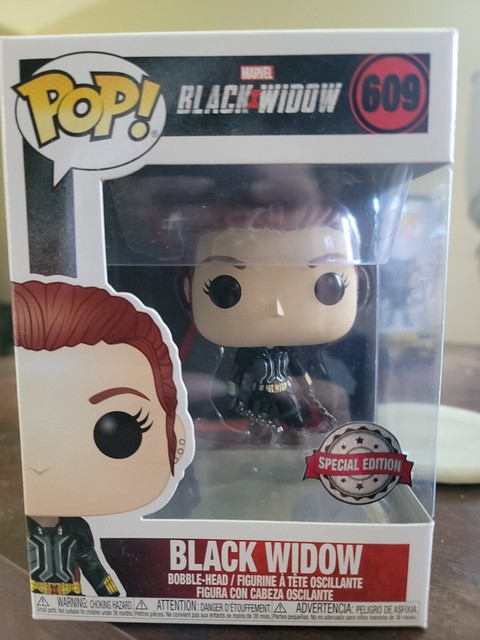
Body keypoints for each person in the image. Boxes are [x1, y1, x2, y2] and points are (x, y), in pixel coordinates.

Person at [12, 280, 190, 596]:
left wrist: (110, 598)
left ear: (175, 435)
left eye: (119, 429)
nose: (44, 463)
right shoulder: (23, 526)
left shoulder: (77, 529)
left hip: (76, 599)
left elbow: (93, 566)